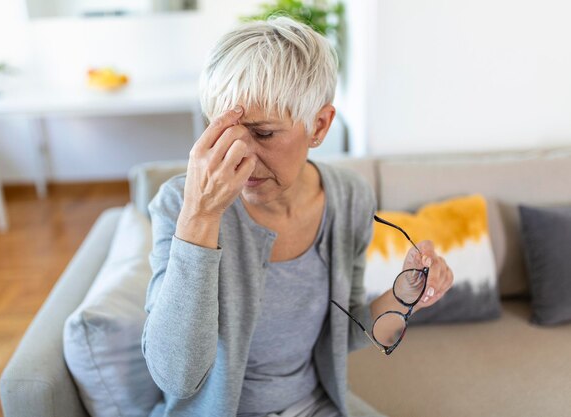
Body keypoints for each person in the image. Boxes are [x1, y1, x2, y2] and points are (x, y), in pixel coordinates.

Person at [142, 16, 454, 417]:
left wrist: (403, 298)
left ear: (319, 125)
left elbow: (342, 338)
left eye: (264, 133)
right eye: (222, 131)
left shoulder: (350, 198)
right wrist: (200, 216)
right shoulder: (179, 205)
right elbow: (176, 377)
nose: (239, 155)